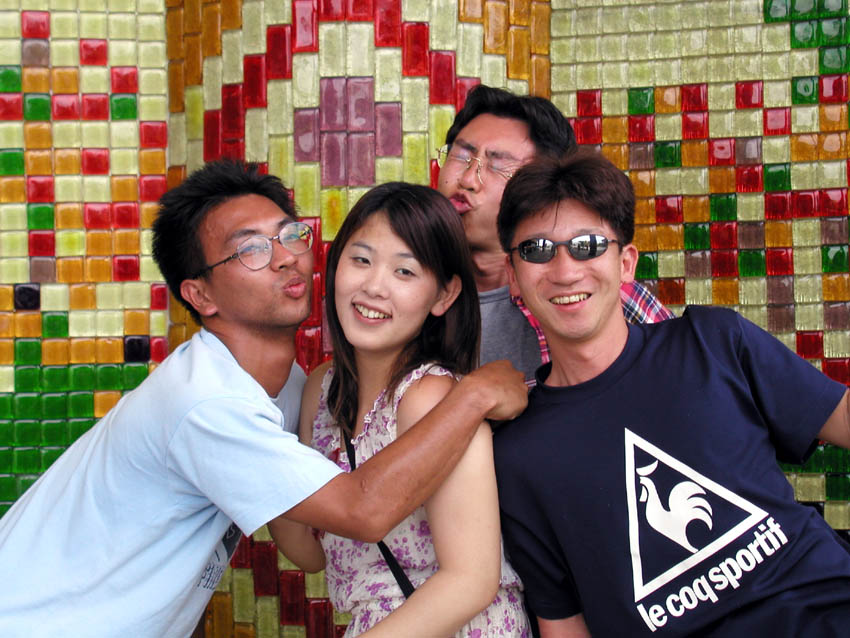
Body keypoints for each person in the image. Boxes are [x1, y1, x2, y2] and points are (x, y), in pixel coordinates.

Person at [0, 161, 528, 638]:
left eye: (289, 235)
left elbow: (457, 572)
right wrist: (475, 395)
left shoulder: (296, 390)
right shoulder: (210, 402)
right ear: (200, 295)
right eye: (250, 248)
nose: (283, 259)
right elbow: (356, 516)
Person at [493, 150, 850, 637]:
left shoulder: (713, 341)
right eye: (537, 249)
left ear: (625, 263)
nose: (564, 269)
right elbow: (562, 622)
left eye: (588, 245)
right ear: (512, 275)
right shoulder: (517, 454)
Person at [275, 182, 530, 637]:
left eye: (405, 271)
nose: (374, 286)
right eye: (361, 260)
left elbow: (471, 580)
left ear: (444, 296)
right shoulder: (322, 391)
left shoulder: (433, 398)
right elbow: (312, 553)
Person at [435, 85, 674, 383]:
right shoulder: (412, 286)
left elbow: (677, 371)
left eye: (498, 165)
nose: (468, 179)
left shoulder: (594, 289)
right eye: (461, 156)